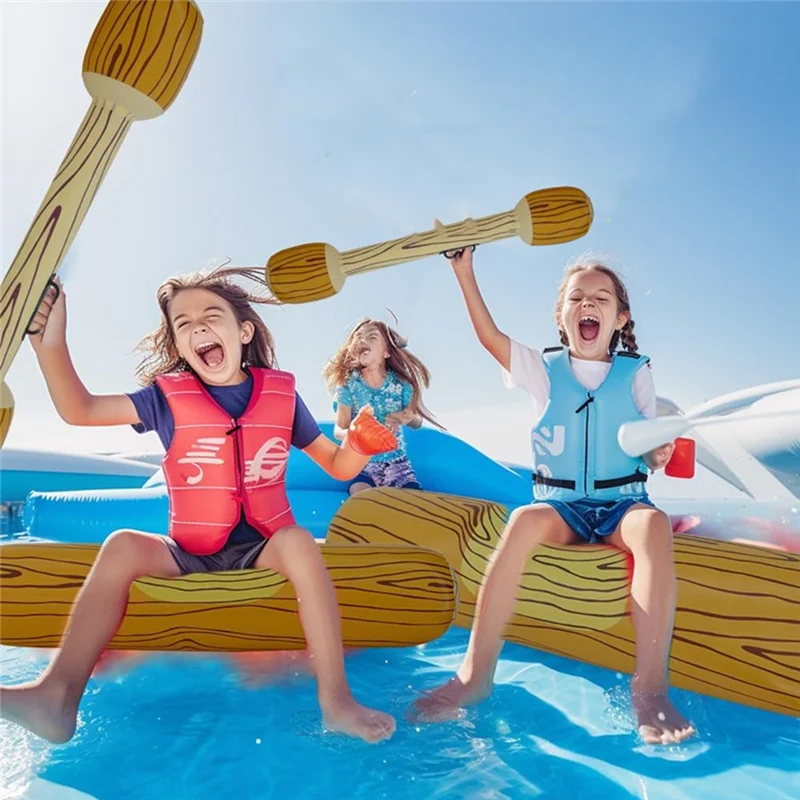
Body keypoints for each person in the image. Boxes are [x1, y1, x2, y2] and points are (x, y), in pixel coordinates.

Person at [1, 267, 397, 745]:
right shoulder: (165, 400)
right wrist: (51, 345)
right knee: (121, 544)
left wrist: (357, 444)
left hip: (261, 547)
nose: (198, 328)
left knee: (298, 540)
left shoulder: (281, 397)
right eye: (183, 324)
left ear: (244, 331)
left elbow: (336, 466)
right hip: (189, 550)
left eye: (211, 316)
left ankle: (336, 701)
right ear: (178, 343)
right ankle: (56, 697)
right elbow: (79, 410)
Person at [415, 249, 695, 745]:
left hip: (622, 504)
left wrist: (660, 452)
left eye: (600, 298)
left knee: (652, 526)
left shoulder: (637, 373)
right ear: (562, 317)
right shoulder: (542, 369)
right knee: (522, 518)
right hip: (561, 506)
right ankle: (474, 675)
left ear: (620, 317)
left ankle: (650, 688)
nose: (588, 304)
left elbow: (649, 453)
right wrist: (464, 271)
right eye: (576, 298)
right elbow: (489, 338)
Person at [323, 317, 439, 495]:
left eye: (372, 337)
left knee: (414, 501)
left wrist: (407, 417)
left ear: (386, 352)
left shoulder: (401, 385)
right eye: (358, 337)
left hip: (398, 467)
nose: (363, 340)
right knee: (360, 495)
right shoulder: (348, 387)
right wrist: (357, 433)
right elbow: (339, 430)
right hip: (363, 465)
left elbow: (416, 423)